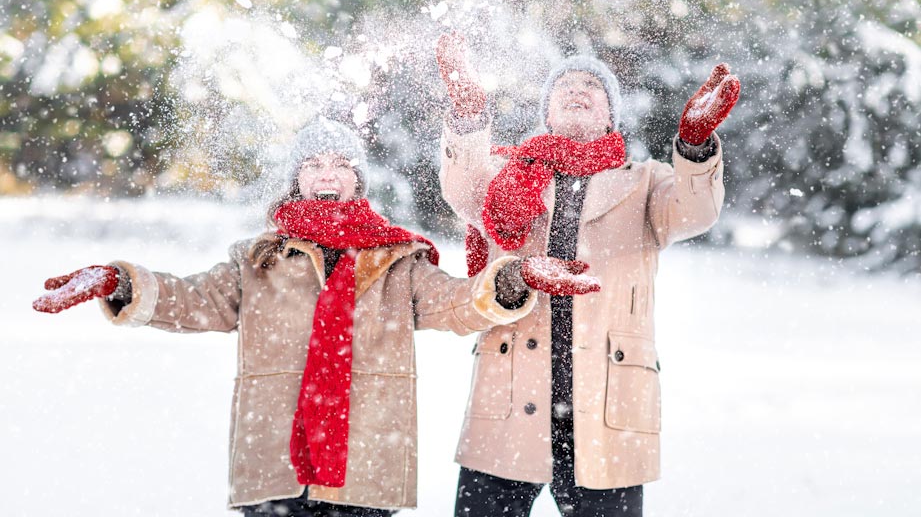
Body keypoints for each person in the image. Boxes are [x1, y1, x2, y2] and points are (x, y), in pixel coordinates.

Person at [32, 117, 601, 517]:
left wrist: (513, 277)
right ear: (296, 179)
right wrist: (120, 282)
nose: (328, 174)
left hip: (367, 457)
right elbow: (193, 300)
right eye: (313, 164)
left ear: (358, 179)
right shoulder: (257, 259)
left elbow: (457, 301)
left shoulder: (398, 261)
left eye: (341, 164)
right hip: (275, 455)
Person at [435, 33, 740, 517]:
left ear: (609, 114)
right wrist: (469, 115)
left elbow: (695, 210)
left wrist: (695, 147)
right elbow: (460, 185)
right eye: (565, 87)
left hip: (605, 406)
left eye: (592, 86)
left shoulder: (646, 181)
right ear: (547, 112)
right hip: (512, 401)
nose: (578, 90)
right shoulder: (502, 177)